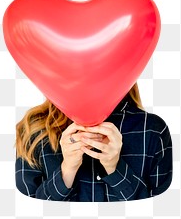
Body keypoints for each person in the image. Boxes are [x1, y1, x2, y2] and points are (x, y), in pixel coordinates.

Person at [15, 83, 172, 202]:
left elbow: (160, 209)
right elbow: (27, 209)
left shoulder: (153, 130)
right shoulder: (33, 130)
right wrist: (67, 170)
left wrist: (114, 168)